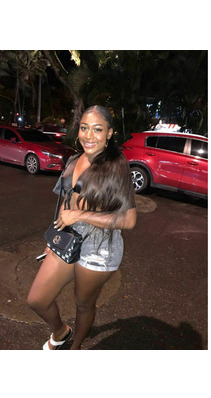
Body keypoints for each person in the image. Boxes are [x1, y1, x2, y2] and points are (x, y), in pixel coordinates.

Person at [27, 105, 137, 350]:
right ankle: (61, 332)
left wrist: (79, 215)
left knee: (83, 304)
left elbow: (128, 220)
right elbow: (64, 202)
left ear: (109, 133)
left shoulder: (116, 166)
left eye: (97, 129)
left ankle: (75, 347)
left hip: (100, 247)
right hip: (68, 238)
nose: (89, 135)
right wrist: (53, 239)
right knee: (37, 299)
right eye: (84, 128)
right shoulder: (74, 160)